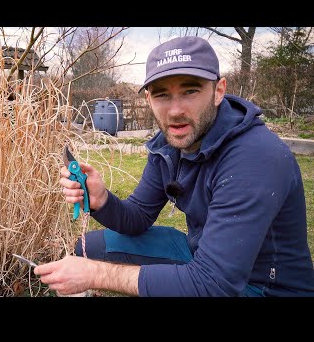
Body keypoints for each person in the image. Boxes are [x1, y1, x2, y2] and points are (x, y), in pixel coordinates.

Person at [34, 36, 314, 297]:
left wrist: (95, 274)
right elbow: (138, 216)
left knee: (101, 266)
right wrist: (101, 200)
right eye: (162, 95)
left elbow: (213, 285)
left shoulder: (255, 157)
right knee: (89, 247)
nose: (175, 110)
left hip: (262, 286)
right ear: (148, 100)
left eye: (190, 90)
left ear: (218, 90)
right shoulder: (169, 145)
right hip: (201, 255)